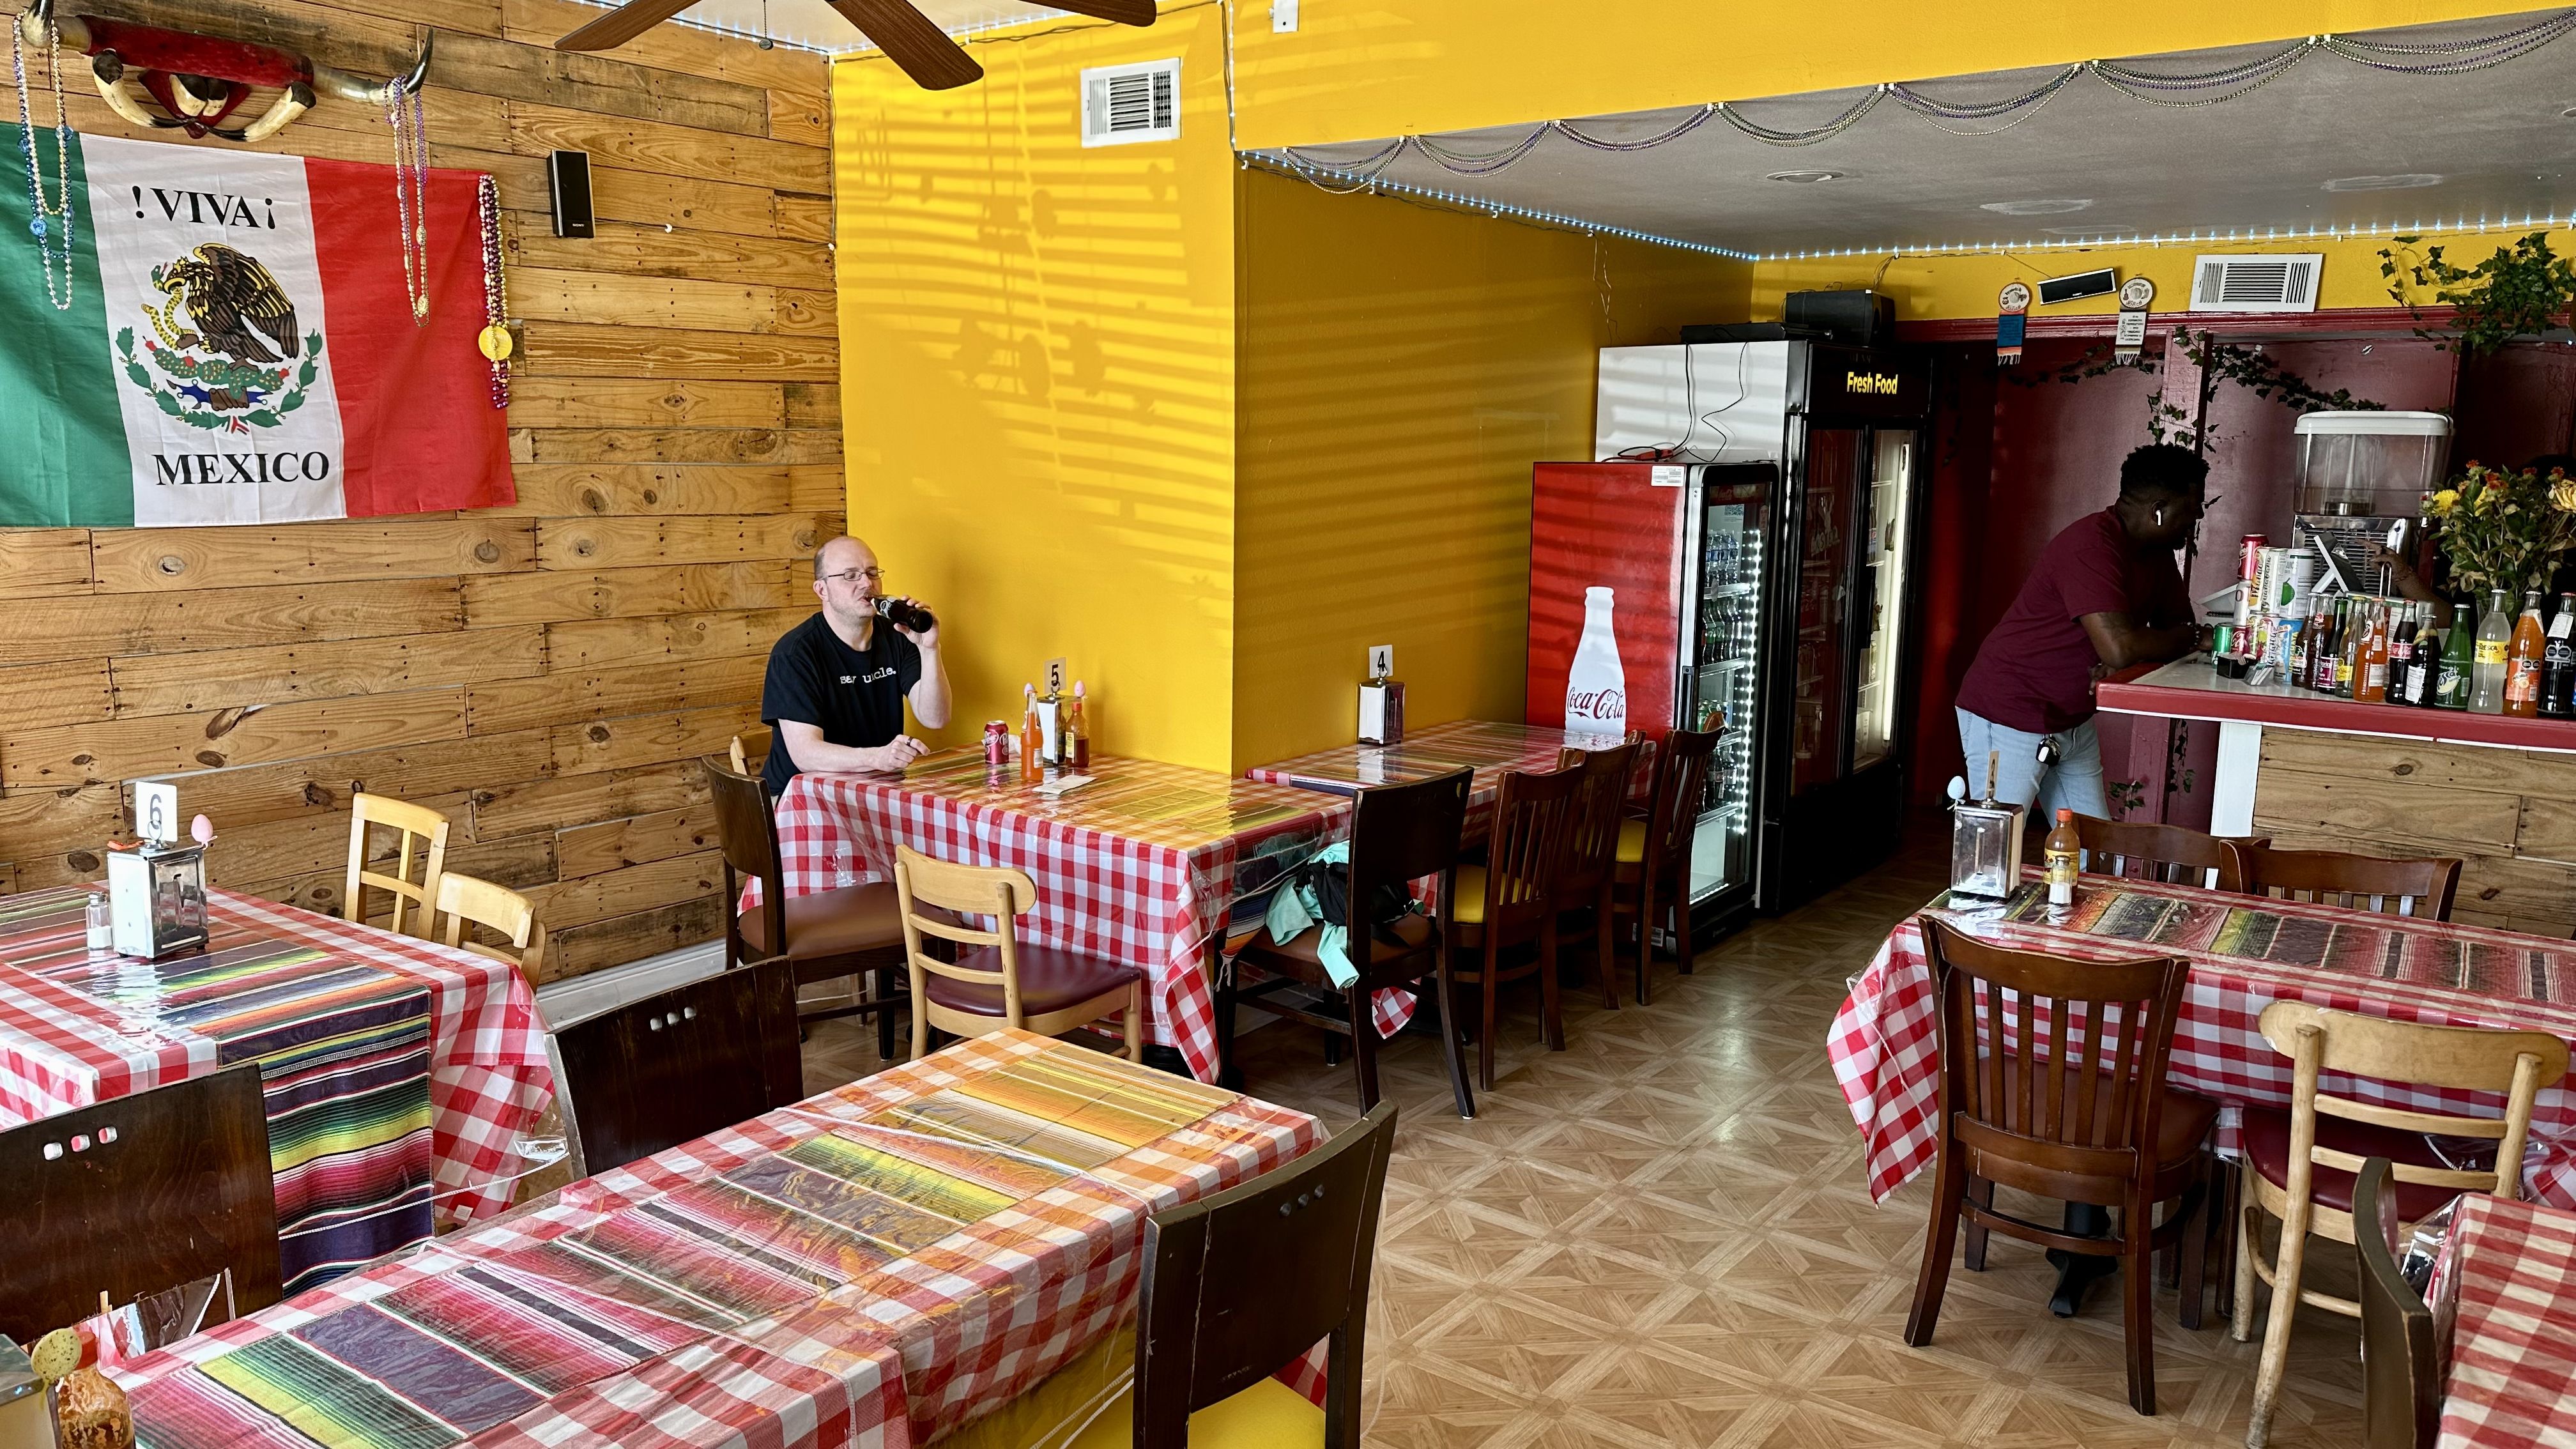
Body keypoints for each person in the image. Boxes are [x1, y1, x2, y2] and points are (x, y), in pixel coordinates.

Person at [1953, 443, 2212, 819]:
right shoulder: (2091, 545)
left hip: (2071, 720)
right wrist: (2147, 649)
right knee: (1994, 853)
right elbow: (2124, 647)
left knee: (2094, 850)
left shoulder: (2153, 552)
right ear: (2159, 510)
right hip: (2010, 710)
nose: (2198, 516)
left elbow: (2172, 627)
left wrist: (2130, 657)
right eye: (2193, 508)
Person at [760, 535, 953, 796]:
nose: (867, 583)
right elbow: (805, 754)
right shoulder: (795, 653)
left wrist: (929, 649)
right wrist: (877, 758)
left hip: (873, 790)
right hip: (802, 801)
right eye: (850, 575)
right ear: (822, 590)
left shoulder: (898, 634)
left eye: (872, 572)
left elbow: (935, 718)